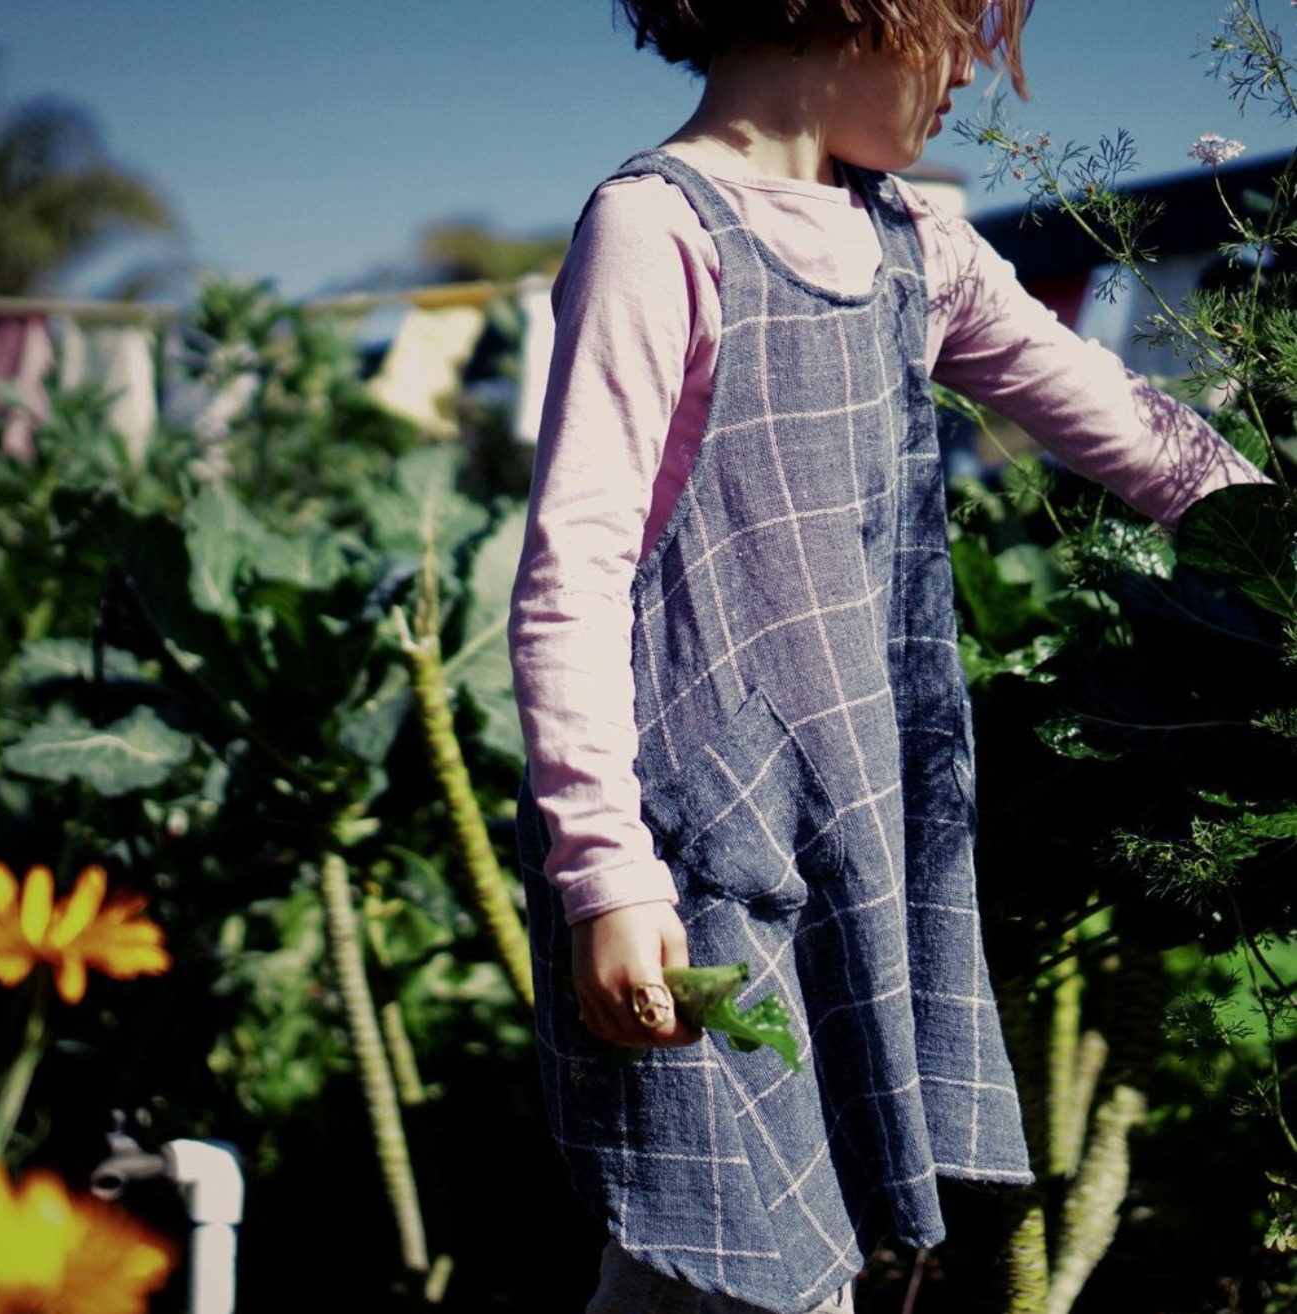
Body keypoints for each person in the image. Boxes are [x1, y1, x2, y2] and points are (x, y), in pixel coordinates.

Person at [509, 3, 1262, 1311]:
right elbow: (571, 569)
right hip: (694, 850)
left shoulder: (915, 242)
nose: (973, 66)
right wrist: (603, 870)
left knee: (795, 1245)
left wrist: (1272, 541)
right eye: (958, 25)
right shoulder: (660, 229)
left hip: (856, 829)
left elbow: (1118, 420)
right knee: (719, 1249)